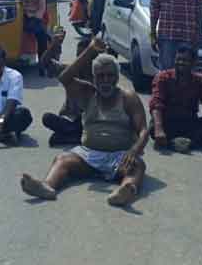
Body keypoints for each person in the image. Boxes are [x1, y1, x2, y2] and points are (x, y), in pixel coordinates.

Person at [20, 37, 148, 207]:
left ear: (117, 78)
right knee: (62, 159)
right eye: (100, 76)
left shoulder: (128, 97)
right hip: (88, 155)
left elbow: (143, 130)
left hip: (120, 156)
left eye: (110, 76)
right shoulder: (87, 93)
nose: (105, 80)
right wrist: (91, 50)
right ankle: (47, 186)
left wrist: (134, 151)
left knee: (138, 166)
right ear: (94, 78)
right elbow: (65, 78)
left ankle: (125, 191)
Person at [149, 46, 202, 152]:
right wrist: (158, 128)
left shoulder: (200, 80)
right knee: (153, 127)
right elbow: (156, 103)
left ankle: (179, 143)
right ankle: (188, 144)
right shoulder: (163, 77)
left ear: (193, 63)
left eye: (185, 60)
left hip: (189, 123)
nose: (180, 63)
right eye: (178, 59)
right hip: (168, 123)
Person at [22, 0, 61, 76]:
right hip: (21, 17)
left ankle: (42, 64)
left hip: (35, 17)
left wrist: (36, 18)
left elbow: (42, 7)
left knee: (42, 36)